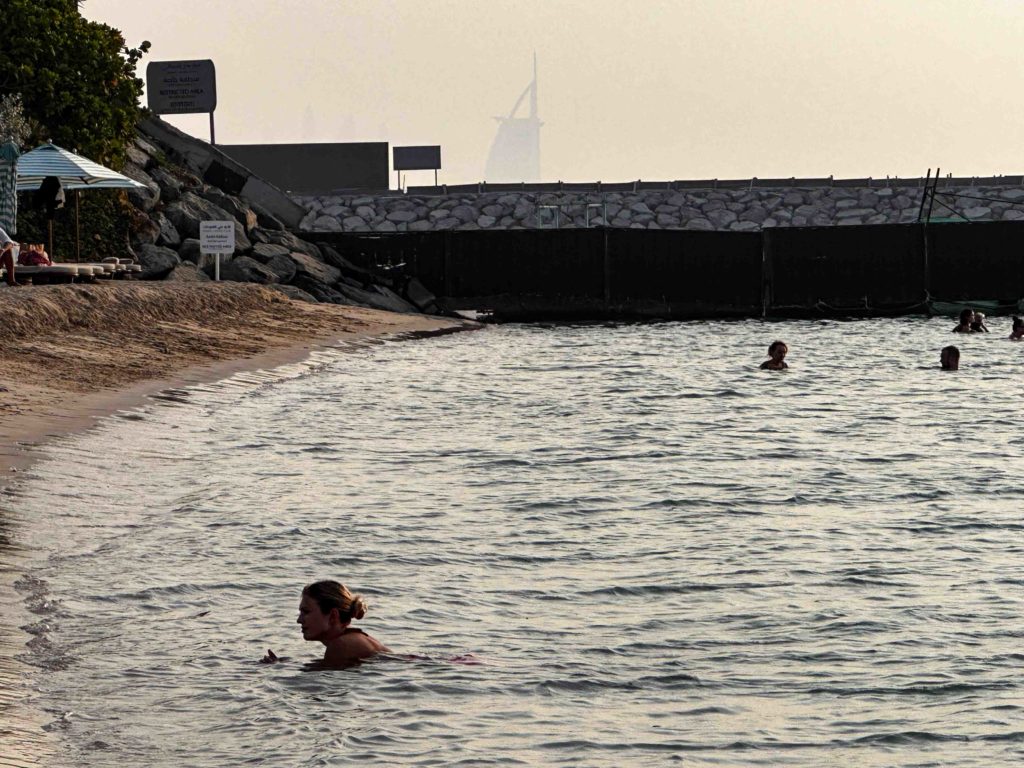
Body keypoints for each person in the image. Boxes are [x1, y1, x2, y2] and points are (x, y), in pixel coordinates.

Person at [263, 580, 389, 666]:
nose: (299, 620)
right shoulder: (352, 639)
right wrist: (282, 663)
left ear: (333, 616)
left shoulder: (341, 645)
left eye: (306, 612)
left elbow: (316, 676)